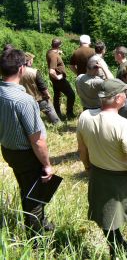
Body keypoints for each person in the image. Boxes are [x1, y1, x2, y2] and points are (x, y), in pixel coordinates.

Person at [76, 78, 127, 257]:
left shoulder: (85, 117)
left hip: (99, 174)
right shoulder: (123, 125)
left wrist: (88, 167)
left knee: (106, 219)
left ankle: (117, 251)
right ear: (118, 98)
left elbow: (82, 148)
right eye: (124, 93)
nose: (126, 96)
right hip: (125, 178)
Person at [0, 49, 55, 236]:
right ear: (22, 69)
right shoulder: (24, 100)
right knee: (35, 197)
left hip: (8, 150)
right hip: (26, 155)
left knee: (26, 188)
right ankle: (36, 240)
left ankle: (40, 224)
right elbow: (37, 140)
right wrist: (47, 165)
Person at [21, 52, 61, 124]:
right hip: (37, 99)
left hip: (23, 99)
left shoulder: (16, 72)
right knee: (49, 108)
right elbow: (42, 86)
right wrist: (48, 95)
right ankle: (57, 123)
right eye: (32, 59)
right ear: (29, 61)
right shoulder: (34, 72)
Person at [46, 37, 75, 119]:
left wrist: (58, 52)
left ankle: (57, 114)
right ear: (59, 46)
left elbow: (53, 53)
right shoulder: (54, 56)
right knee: (71, 95)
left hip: (54, 80)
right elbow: (51, 71)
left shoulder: (50, 52)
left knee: (57, 96)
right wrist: (58, 77)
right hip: (59, 79)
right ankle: (69, 113)